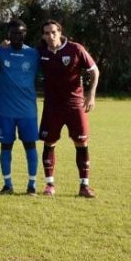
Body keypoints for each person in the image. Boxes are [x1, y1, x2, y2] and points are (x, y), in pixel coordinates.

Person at [38, 20, 99, 198]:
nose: (51, 36)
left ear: (60, 32)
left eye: (54, 32)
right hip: (52, 106)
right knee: (49, 143)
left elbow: (94, 71)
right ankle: (49, 185)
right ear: (43, 35)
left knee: (81, 143)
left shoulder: (76, 49)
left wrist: (91, 95)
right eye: (47, 33)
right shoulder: (40, 52)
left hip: (75, 106)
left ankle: (84, 186)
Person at [0, 19, 40, 195]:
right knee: (6, 147)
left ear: (25, 33)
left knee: (30, 146)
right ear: (8, 34)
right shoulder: (1, 52)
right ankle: (7, 185)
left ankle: (32, 185)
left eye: (20, 33)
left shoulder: (34, 54)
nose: (16, 36)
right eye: (13, 33)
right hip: (5, 109)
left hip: (27, 110)